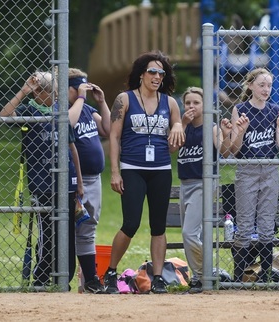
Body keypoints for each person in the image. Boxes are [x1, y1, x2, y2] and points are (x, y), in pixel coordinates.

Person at [103, 51, 185, 294]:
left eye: (161, 73)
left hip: (160, 168)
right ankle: (110, 272)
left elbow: (175, 131)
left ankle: (158, 277)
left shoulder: (169, 102)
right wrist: (116, 172)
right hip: (132, 168)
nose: (157, 76)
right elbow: (114, 136)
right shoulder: (124, 99)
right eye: (152, 71)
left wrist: (178, 126)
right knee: (131, 223)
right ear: (141, 74)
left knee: (158, 226)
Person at [0, 71, 82, 290]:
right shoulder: (30, 111)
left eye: (51, 91)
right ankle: (42, 277)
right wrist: (24, 91)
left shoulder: (60, 112)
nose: (49, 96)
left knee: (67, 232)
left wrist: (80, 182)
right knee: (47, 233)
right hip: (42, 184)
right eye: (43, 91)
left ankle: (63, 277)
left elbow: (72, 148)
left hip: (66, 183)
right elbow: (4, 115)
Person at [229, 67, 279, 283]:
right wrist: (242, 131)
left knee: (266, 226)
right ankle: (239, 276)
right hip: (247, 170)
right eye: (261, 85)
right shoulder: (240, 109)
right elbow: (234, 150)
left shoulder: (275, 110)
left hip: (270, 170)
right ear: (250, 86)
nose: (266, 89)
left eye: (269, 85)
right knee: (245, 226)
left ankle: (265, 275)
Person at [177, 87, 232, 293]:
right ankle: (200, 276)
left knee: (189, 233)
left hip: (204, 183)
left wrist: (225, 135)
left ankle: (205, 273)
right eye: (188, 103)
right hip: (185, 183)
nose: (191, 106)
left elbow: (225, 152)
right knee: (190, 234)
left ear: (206, 106)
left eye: (196, 103)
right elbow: (173, 145)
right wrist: (182, 123)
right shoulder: (182, 126)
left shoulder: (211, 127)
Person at [67, 68, 111, 293]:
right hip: (74, 181)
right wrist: (81, 98)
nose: (81, 92)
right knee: (69, 230)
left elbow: (108, 129)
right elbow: (67, 125)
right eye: (77, 89)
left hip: (94, 180)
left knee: (88, 228)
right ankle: (63, 277)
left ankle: (89, 281)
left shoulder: (86, 109)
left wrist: (102, 103)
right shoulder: (65, 109)